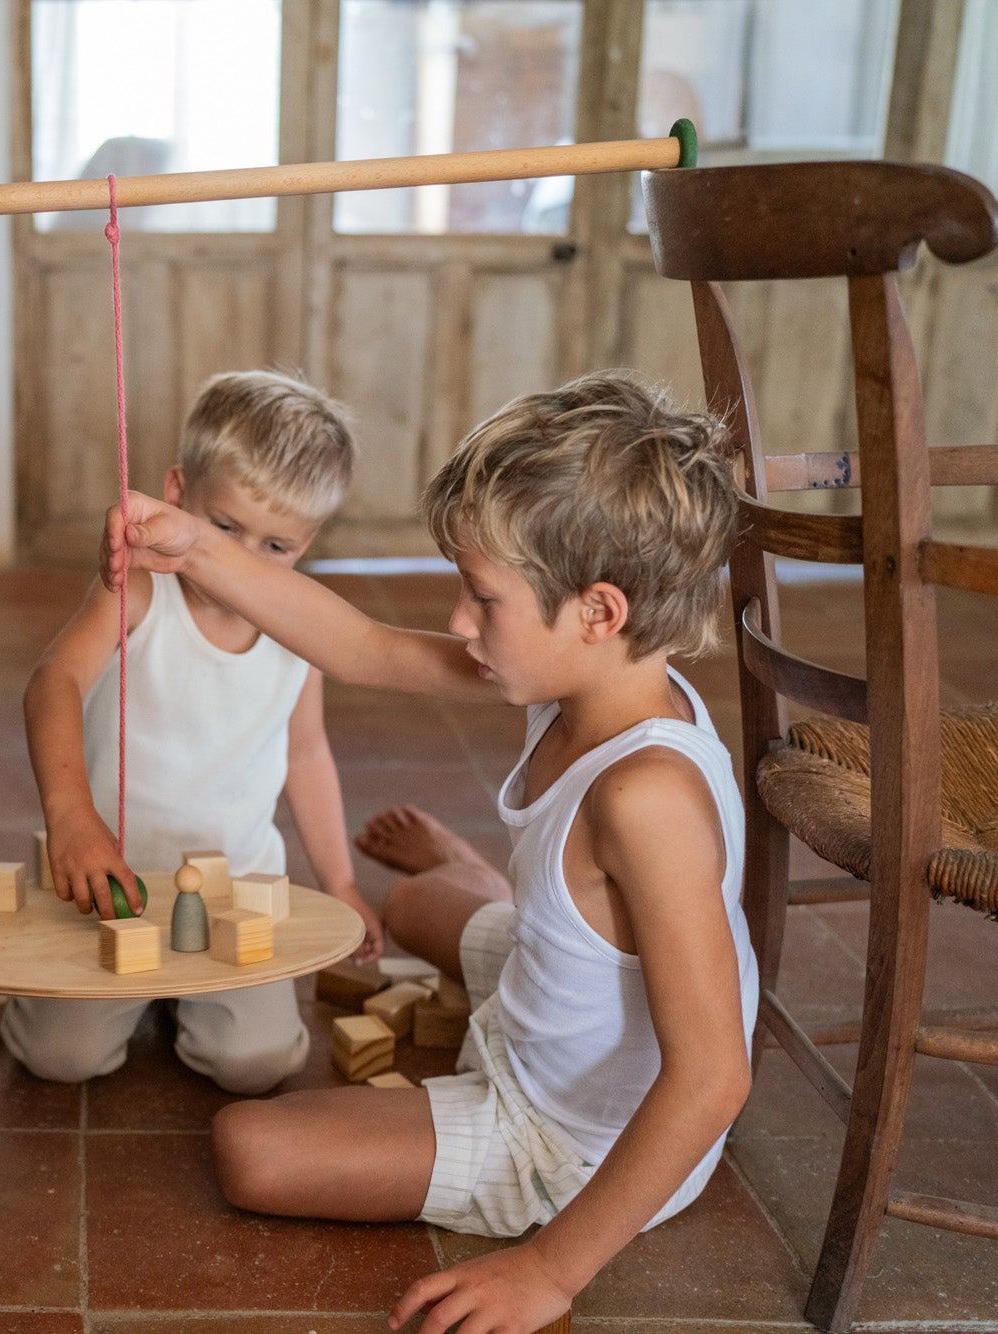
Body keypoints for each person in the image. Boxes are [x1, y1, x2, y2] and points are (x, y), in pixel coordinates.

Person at [102, 371, 758, 1334]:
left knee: (251, 1146)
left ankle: (503, 910)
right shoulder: (585, 676)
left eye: (481, 596)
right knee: (407, 910)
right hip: (555, 1003)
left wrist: (550, 1270)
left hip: (572, 1140)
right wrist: (193, 544)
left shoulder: (647, 797)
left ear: (599, 611)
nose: (458, 619)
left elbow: (713, 1076)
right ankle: (504, 898)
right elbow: (362, 647)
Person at [4, 369, 383, 1095]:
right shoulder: (139, 591)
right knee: (63, 1060)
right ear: (176, 495)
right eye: (225, 527)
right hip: (109, 882)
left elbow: (307, 755)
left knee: (259, 1066)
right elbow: (51, 683)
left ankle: (180, 997)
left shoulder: (303, 628)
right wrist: (72, 818)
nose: (242, 560)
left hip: (234, 888)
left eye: (277, 546)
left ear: (309, 542)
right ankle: (65, 989)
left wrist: (340, 882)